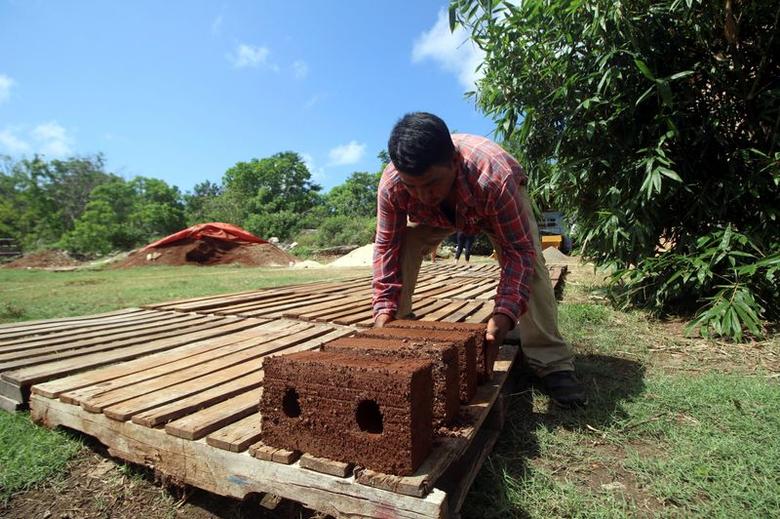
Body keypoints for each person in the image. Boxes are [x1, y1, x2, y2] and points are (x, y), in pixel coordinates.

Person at [372, 112, 586, 408]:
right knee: (405, 242)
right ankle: (400, 329)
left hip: (490, 205)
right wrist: (384, 307)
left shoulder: (493, 177)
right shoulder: (393, 185)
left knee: (532, 260)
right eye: (412, 187)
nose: (422, 195)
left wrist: (504, 315)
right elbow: (386, 247)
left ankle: (551, 361)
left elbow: (517, 252)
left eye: (431, 183)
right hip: (440, 217)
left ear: (454, 162)